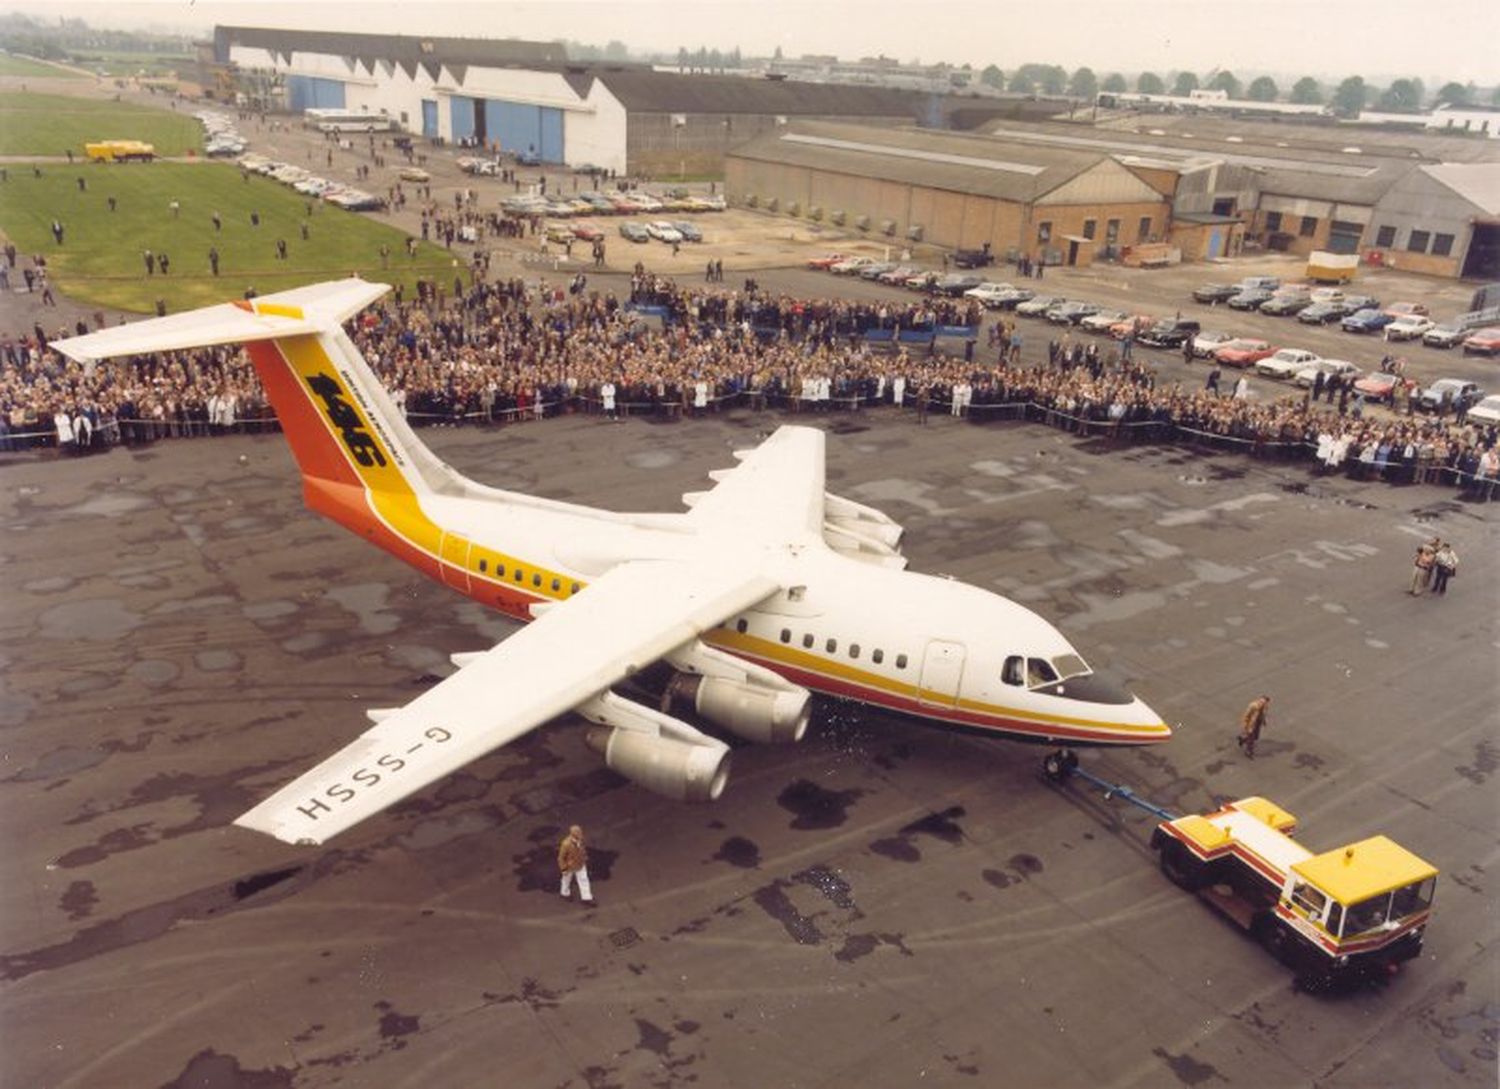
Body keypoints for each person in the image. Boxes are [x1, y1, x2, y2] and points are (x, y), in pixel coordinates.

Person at [557, 824, 594, 905]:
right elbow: (561, 858)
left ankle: (586, 898)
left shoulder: (580, 840)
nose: (580, 834)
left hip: (580, 864)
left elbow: (582, 849)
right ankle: (564, 893)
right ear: (573, 834)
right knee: (566, 881)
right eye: (578, 833)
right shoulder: (566, 844)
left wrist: (584, 857)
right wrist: (563, 869)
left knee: (584, 880)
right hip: (569, 866)